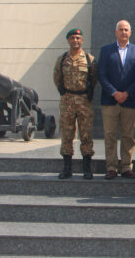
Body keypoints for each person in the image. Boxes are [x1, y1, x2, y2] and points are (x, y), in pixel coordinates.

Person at [98, 20, 135, 180]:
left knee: (128, 136)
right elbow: (101, 75)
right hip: (110, 100)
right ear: (116, 32)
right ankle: (111, 167)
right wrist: (114, 92)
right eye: (121, 30)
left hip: (129, 101)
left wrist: (127, 93)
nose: (124, 32)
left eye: (126, 30)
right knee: (110, 135)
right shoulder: (106, 51)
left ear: (130, 33)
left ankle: (126, 166)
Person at [53, 28, 97, 180]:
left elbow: (94, 79)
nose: (75, 40)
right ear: (68, 40)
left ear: (82, 40)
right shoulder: (62, 59)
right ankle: (67, 168)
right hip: (67, 101)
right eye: (72, 38)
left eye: (78, 38)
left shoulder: (89, 59)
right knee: (67, 134)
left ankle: (87, 168)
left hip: (84, 100)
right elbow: (57, 78)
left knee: (86, 134)